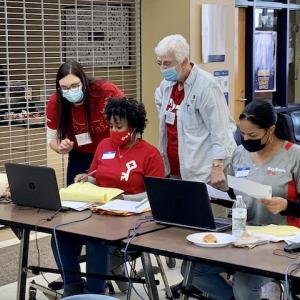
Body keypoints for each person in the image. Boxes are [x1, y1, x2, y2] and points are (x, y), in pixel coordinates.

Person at [52, 97, 164, 297]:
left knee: (97, 240)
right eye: (111, 125)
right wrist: (85, 179)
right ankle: (74, 287)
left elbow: (156, 196)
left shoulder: (150, 154)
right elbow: (96, 176)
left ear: (135, 126)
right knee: (59, 234)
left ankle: (96, 291)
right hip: (98, 211)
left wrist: (123, 198)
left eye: (119, 126)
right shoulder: (104, 145)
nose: (113, 131)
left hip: (131, 218)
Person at [191, 100, 300, 300]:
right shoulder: (240, 153)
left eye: (252, 135)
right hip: (243, 236)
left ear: (271, 130)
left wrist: (287, 206)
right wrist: (219, 191)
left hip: (280, 242)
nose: (245, 139)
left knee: (244, 286)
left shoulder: (294, 156)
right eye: (242, 134)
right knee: (193, 272)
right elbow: (238, 196)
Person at [154, 34, 236, 187]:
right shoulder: (167, 84)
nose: (163, 68)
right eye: (160, 63)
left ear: (184, 61)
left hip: (204, 173)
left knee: (204, 211)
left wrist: (217, 167)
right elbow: (159, 102)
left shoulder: (207, 86)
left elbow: (221, 131)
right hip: (174, 170)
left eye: (167, 63)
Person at [46, 61, 124, 186]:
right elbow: (51, 139)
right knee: (76, 196)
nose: (70, 90)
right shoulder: (56, 103)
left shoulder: (105, 91)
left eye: (74, 85)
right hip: (80, 154)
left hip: (111, 151)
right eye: (64, 88)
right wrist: (61, 148)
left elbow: (129, 121)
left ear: (83, 82)